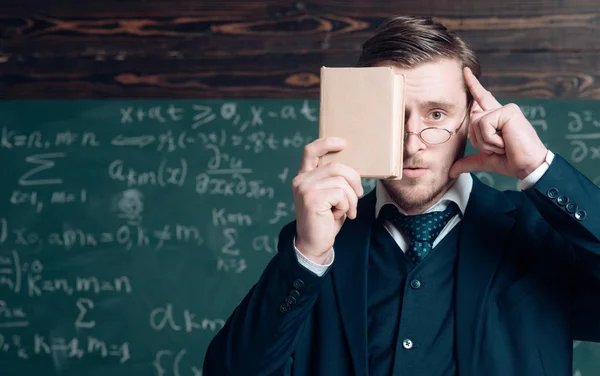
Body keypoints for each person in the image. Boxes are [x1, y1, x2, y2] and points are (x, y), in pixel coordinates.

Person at [203, 16, 600, 376]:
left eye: (436, 115)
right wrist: (307, 256)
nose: (412, 144)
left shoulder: (541, 232)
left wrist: (538, 168)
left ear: (471, 118)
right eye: (392, 117)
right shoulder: (317, 243)